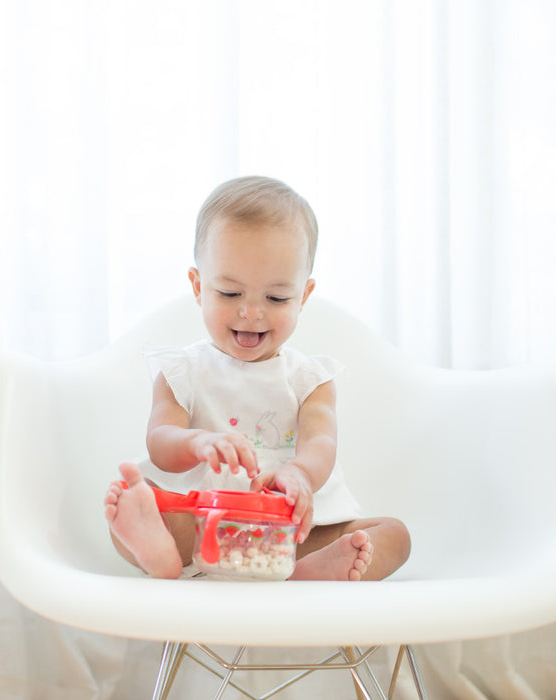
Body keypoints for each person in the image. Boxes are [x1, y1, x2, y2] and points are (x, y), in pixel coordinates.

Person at [104, 175, 411, 581]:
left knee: (394, 535)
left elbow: (321, 440)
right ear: (198, 287)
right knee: (137, 499)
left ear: (303, 295)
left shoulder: (309, 378)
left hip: (292, 530)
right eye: (230, 294)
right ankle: (164, 555)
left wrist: (300, 473)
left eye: (277, 298)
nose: (251, 312)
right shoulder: (181, 370)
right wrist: (198, 442)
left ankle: (307, 569)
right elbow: (160, 443)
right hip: (205, 524)